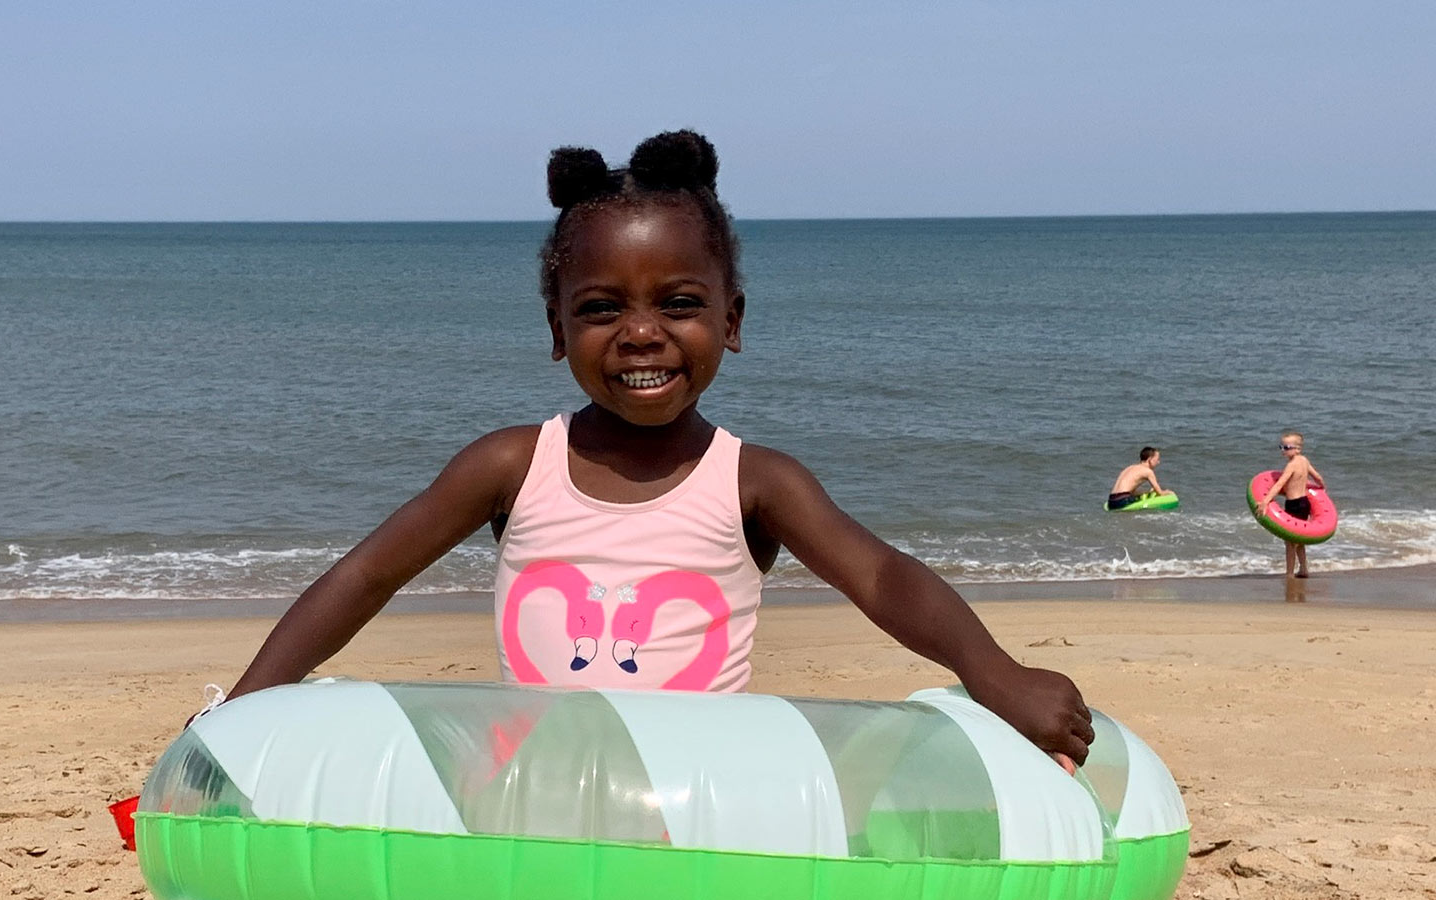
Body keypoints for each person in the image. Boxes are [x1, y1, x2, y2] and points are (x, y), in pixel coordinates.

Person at [220, 130, 1093, 769]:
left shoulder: (756, 482)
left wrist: (995, 674)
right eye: (602, 309)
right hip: (530, 795)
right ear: (557, 331)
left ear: (732, 321)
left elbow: (883, 577)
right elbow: (365, 576)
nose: (641, 334)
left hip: (695, 801)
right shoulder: (511, 466)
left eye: (677, 303)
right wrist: (243, 709)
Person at [1255, 432, 1326, 578]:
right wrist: (1322, 488)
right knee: (1299, 539)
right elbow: (1317, 476)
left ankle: (1289, 573)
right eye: (1281, 446)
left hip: (1294, 504)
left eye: (1287, 447)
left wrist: (1265, 501)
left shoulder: (1291, 466)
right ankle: (1304, 569)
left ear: (1298, 449)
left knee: (1289, 543)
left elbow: (1279, 484)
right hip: (1305, 503)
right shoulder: (1304, 461)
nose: (1283, 450)